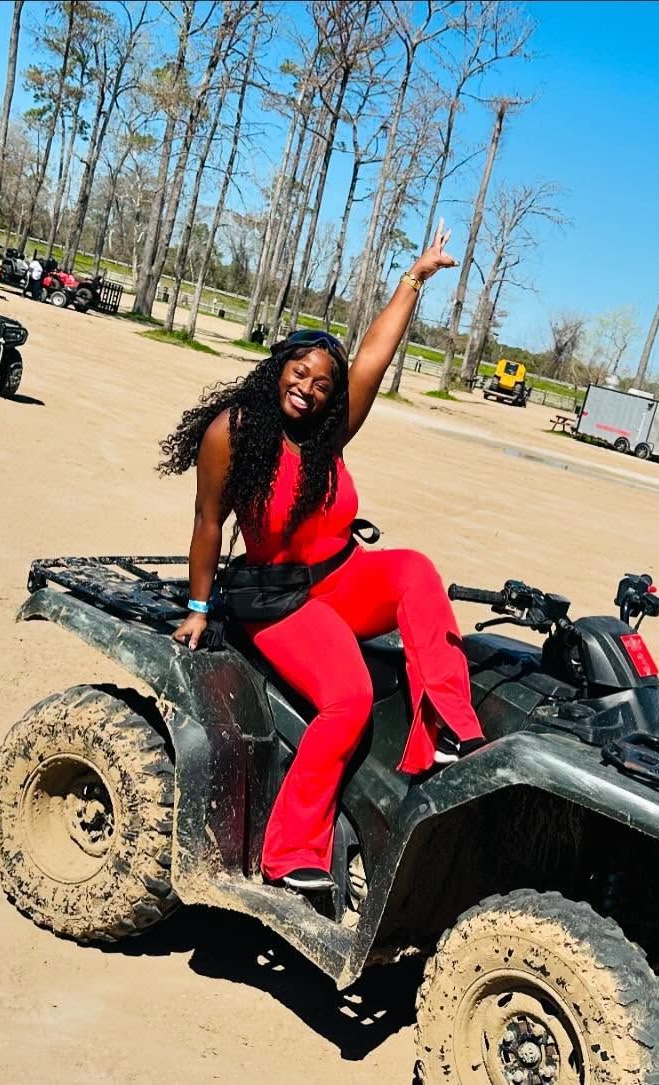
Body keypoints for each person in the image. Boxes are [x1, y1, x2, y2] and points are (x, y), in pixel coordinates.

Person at [161, 222, 485, 896]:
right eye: (300, 371)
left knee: (414, 569)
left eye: (321, 381)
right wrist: (197, 607)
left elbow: (371, 357)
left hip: (341, 576)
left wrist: (412, 281)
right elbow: (206, 521)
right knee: (349, 697)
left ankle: (447, 730)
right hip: (277, 598)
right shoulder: (234, 431)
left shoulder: (329, 433)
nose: (308, 386)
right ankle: (289, 850)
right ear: (278, 366)